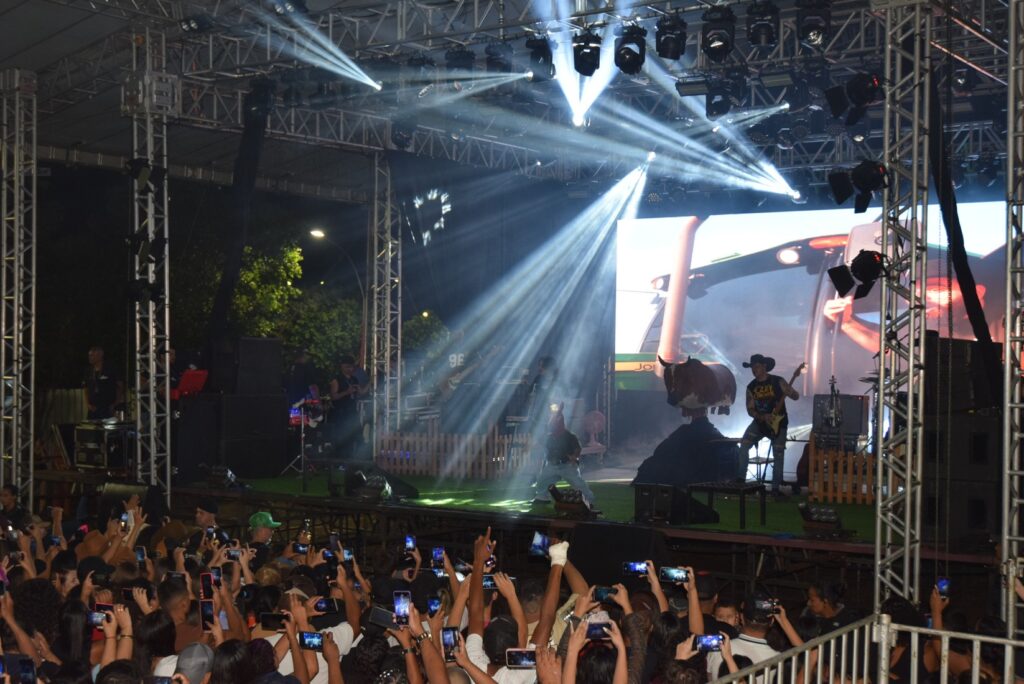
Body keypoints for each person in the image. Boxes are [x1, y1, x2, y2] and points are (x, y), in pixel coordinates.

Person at [737, 353, 800, 495]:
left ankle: (776, 488)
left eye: (757, 367)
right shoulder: (751, 387)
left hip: (779, 422)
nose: (754, 370)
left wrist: (789, 391)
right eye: (752, 367)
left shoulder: (778, 381)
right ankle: (741, 479)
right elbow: (750, 409)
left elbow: (796, 396)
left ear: (764, 366)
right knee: (744, 444)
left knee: (778, 453)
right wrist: (762, 416)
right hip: (759, 423)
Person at [531, 405, 597, 512]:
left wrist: (574, 457)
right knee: (542, 480)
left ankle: (589, 500)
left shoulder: (570, 436)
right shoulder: (549, 436)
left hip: (567, 465)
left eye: (555, 424)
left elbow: (578, 448)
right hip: (552, 465)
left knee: (579, 484)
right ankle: (542, 497)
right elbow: (540, 444)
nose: (552, 426)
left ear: (560, 424)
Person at [328, 354, 366, 459]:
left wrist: (363, 388)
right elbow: (333, 396)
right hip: (340, 412)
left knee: (356, 434)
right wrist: (346, 392)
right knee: (341, 436)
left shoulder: (354, 379)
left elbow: (360, 393)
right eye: (347, 367)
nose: (350, 369)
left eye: (351, 367)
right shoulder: (336, 380)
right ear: (342, 367)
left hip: (352, 411)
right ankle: (339, 459)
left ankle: (353, 458)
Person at [82, 345, 124, 420]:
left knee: (108, 429)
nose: (90, 358)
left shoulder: (110, 368)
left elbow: (119, 386)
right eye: (89, 355)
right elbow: (86, 388)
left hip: (107, 407)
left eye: (92, 355)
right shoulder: (88, 370)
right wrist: (88, 404)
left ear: (100, 355)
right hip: (93, 408)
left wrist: (115, 403)